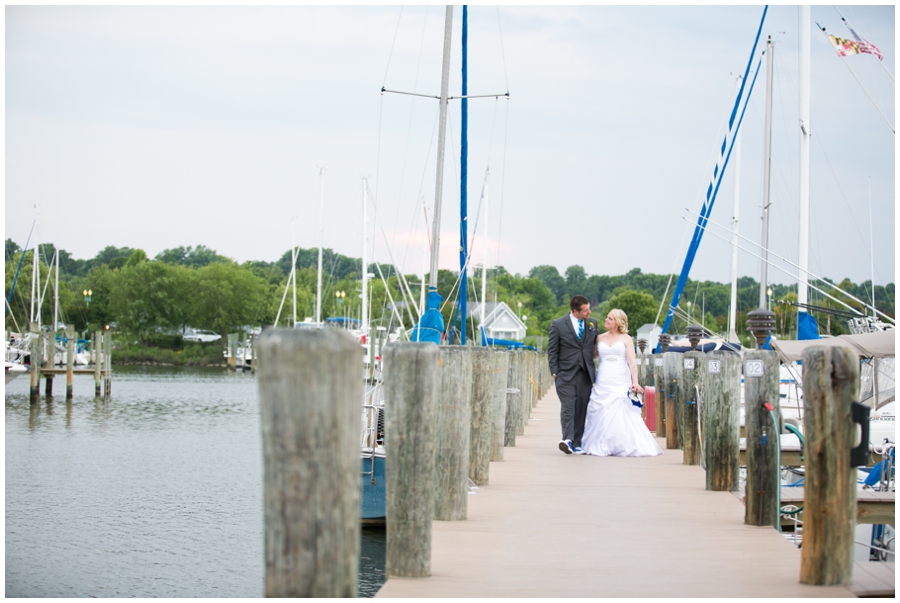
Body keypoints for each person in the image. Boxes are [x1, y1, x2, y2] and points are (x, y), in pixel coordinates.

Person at [581, 308, 662, 457]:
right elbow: (591, 355)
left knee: (621, 411)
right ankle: (602, 444)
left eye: (610, 318)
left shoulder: (626, 339)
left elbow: (631, 362)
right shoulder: (599, 338)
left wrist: (635, 382)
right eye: (607, 317)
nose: (606, 320)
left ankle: (622, 443)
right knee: (601, 410)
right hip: (604, 378)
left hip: (620, 378)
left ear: (618, 322)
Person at [547, 295, 596, 455]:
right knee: (568, 407)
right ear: (575, 311)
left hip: (585, 374)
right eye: (585, 310)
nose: (589, 312)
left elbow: (594, 347)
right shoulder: (558, 324)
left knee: (581, 408)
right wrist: (555, 372)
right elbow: (552, 350)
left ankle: (577, 442)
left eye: (588, 308)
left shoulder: (592, 324)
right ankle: (567, 439)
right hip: (565, 374)